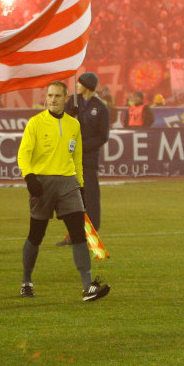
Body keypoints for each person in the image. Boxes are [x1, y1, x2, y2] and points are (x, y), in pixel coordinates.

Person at [17, 81, 110, 302]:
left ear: (66, 98)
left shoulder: (73, 125)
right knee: (36, 235)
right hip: (42, 183)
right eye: (50, 95)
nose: (53, 99)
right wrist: (29, 177)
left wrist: (81, 185)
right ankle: (26, 281)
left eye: (58, 96)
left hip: (68, 182)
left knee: (78, 232)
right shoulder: (35, 123)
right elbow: (23, 153)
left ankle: (88, 287)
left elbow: (77, 157)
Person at [57, 72, 111, 246]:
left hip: (88, 161)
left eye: (80, 83)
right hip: (70, 159)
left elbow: (103, 136)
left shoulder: (100, 108)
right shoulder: (73, 102)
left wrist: (83, 146)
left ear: (87, 86)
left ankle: (91, 232)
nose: (77, 86)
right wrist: (68, 114)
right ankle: (74, 233)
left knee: (90, 198)